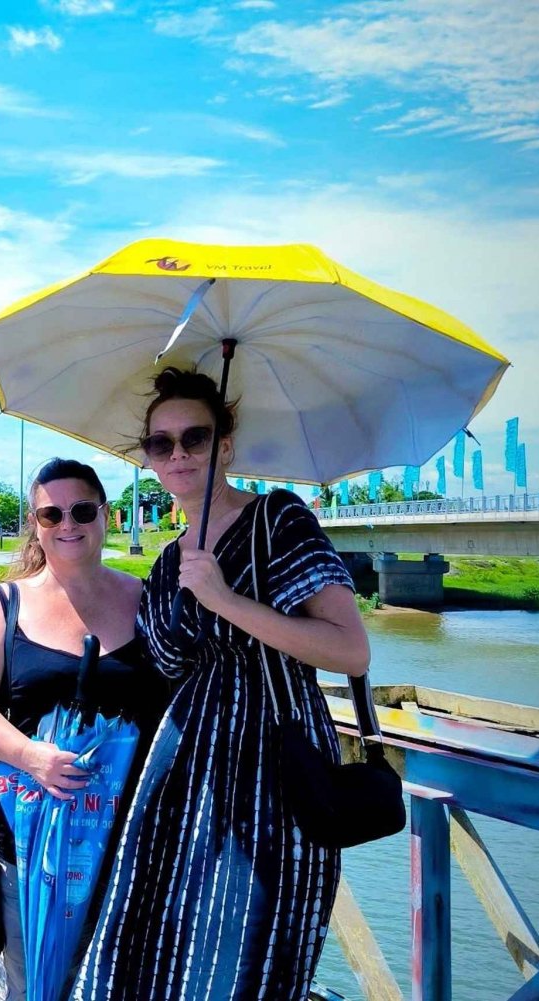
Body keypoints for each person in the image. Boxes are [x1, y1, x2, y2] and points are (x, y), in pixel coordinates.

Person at [70, 368, 370, 1001]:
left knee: (254, 958)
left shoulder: (277, 521)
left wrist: (225, 600)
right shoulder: (169, 558)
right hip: (185, 777)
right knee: (148, 947)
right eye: (161, 443)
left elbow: (350, 650)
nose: (177, 454)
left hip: (277, 774)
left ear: (225, 446)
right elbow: (169, 665)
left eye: (195, 438)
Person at [0, 458, 170, 1001]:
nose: (67, 523)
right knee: (40, 987)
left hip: (128, 846)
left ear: (107, 517)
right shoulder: (5, 604)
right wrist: (32, 756)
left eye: (82, 510)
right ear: (36, 523)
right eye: (52, 513)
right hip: (29, 847)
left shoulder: (147, 601)